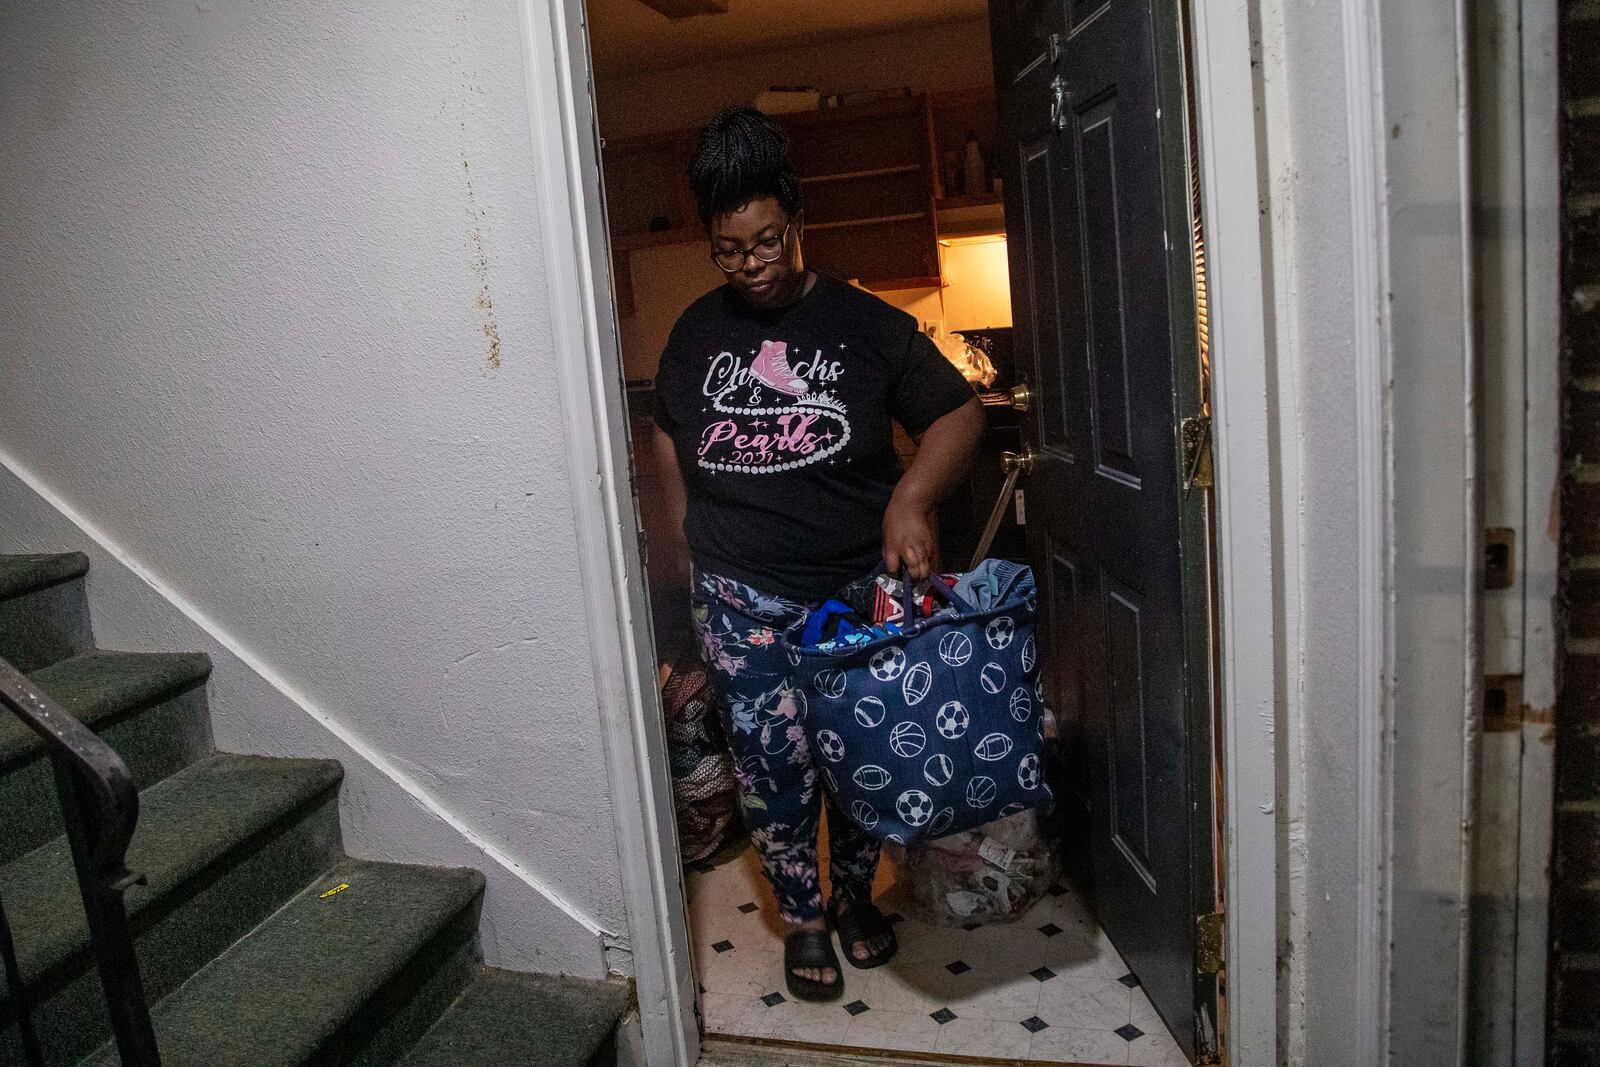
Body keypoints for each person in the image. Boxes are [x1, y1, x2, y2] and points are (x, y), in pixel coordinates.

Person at [651, 105, 984, 1001]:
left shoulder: (863, 325)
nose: (751, 263)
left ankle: (851, 897)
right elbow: (667, 431)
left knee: (856, 756)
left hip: (852, 591)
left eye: (765, 240)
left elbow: (959, 413)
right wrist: (678, 535)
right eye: (729, 249)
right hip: (738, 599)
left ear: (794, 221)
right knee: (771, 769)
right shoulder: (694, 334)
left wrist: (911, 498)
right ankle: (800, 916)